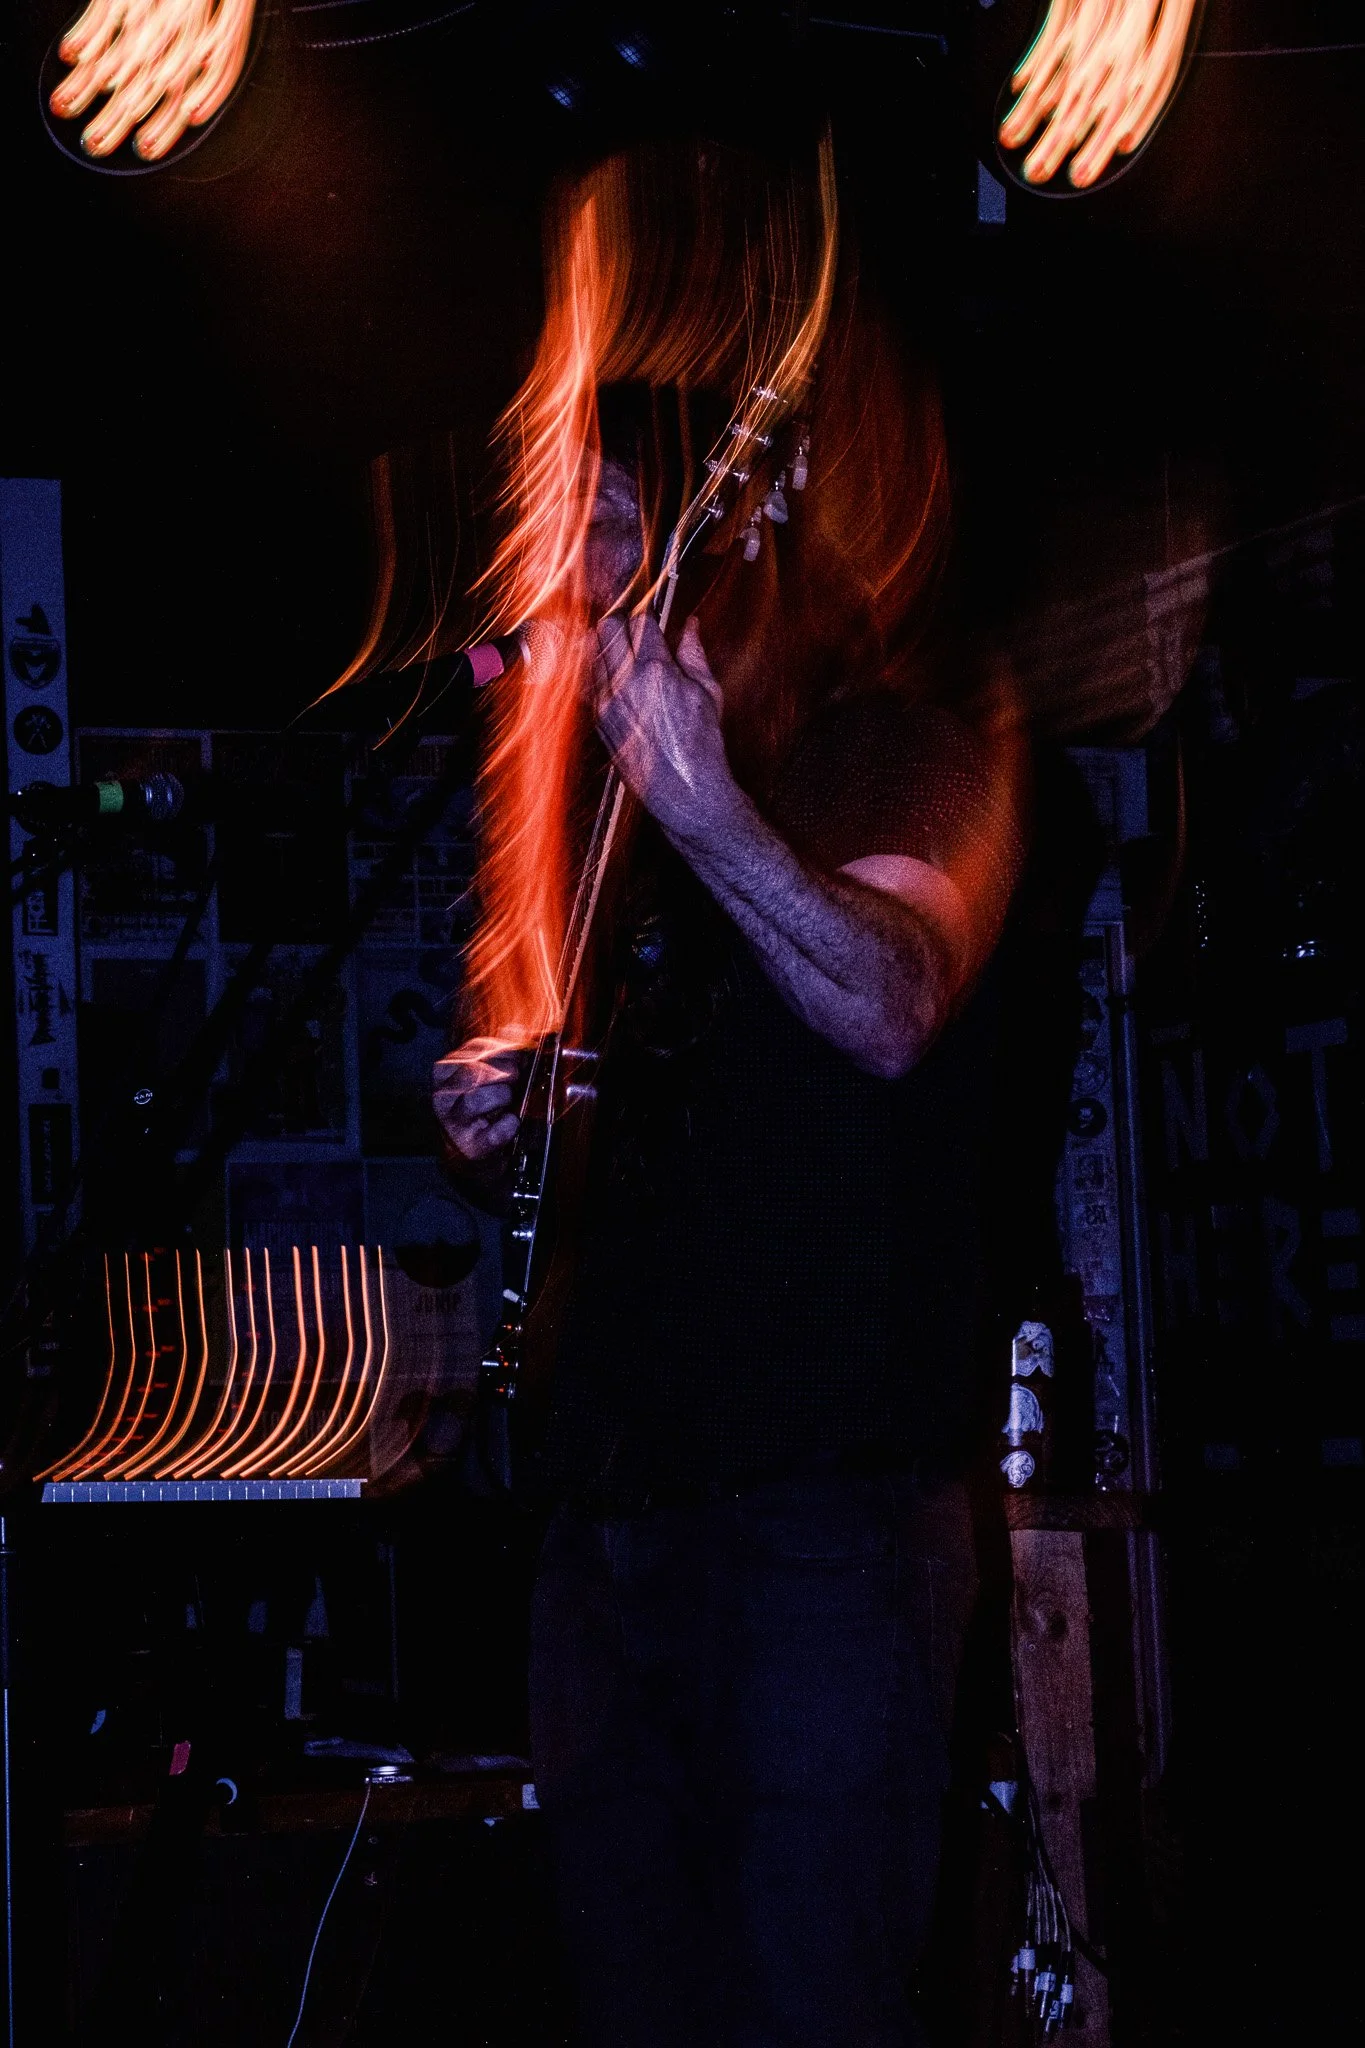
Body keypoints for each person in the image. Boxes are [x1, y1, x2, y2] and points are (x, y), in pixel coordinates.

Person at [432, 142, 1024, 2047]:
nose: (574, 573)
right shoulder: (615, 820)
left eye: (611, 529)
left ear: (726, 528)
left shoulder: (903, 739)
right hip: (619, 1527)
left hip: (825, 1532)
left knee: (810, 2006)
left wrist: (706, 812)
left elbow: (893, 1002)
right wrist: (532, 1118)